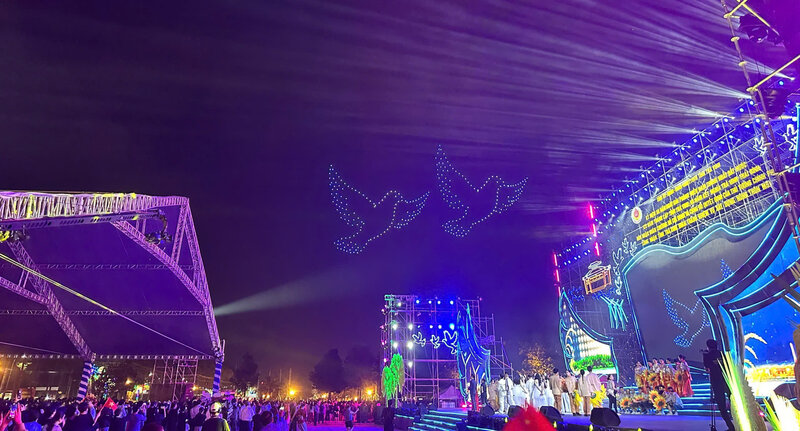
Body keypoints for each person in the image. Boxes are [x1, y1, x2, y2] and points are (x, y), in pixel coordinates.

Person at [703, 339, 736, 431]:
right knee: (732, 402)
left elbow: (707, 368)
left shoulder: (707, 355)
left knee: (722, 407)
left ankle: (731, 427)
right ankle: (738, 423)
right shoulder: (722, 354)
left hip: (716, 382)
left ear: (708, 346)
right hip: (726, 380)